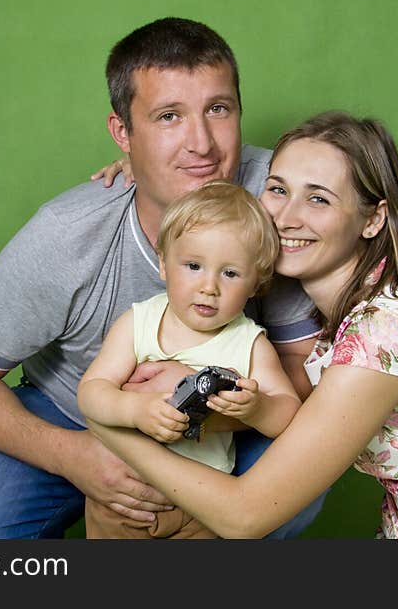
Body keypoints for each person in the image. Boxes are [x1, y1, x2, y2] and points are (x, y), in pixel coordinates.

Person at [0, 17, 326, 539]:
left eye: (218, 109)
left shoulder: (278, 199)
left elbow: (309, 369)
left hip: (226, 420)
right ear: (123, 133)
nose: (202, 145)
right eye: (169, 116)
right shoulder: (66, 237)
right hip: (71, 410)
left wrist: (201, 406)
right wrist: (75, 456)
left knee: (302, 474)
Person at [86, 110, 398, 539]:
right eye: (278, 190)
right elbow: (226, 206)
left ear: (373, 219)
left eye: (319, 199)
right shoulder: (391, 286)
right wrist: (146, 168)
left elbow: (245, 516)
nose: (286, 217)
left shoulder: (387, 331)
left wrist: (113, 425)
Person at [79, 181, 301, 538]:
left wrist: (257, 408)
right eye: (193, 265)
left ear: (256, 283)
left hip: (204, 505)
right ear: (163, 263)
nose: (208, 287)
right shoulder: (139, 323)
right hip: (124, 496)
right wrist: (135, 410)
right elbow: (90, 392)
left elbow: (288, 412)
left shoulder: (250, 344)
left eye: (230, 273)